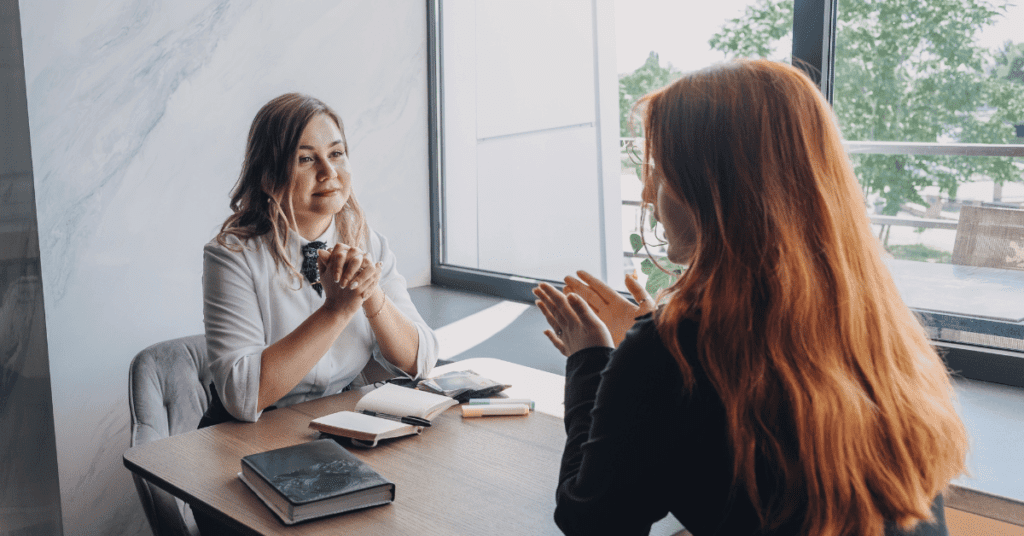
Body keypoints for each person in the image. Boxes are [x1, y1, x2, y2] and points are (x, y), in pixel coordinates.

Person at [534, 59, 968, 536]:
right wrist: (639, 354)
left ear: (713, 191)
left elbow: (591, 522)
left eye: (659, 172)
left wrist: (593, 359)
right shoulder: (879, 327)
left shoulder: (671, 353)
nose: (646, 193)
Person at [202, 92, 438, 425]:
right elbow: (242, 396)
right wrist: (337, 309)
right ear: (269, 177)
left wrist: (370, 294)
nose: (329, 171)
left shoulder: (369, 243)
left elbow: (422, 360)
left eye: (337, 153)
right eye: (306, 159)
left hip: (335, 424)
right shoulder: (230, 258)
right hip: (246, 436)